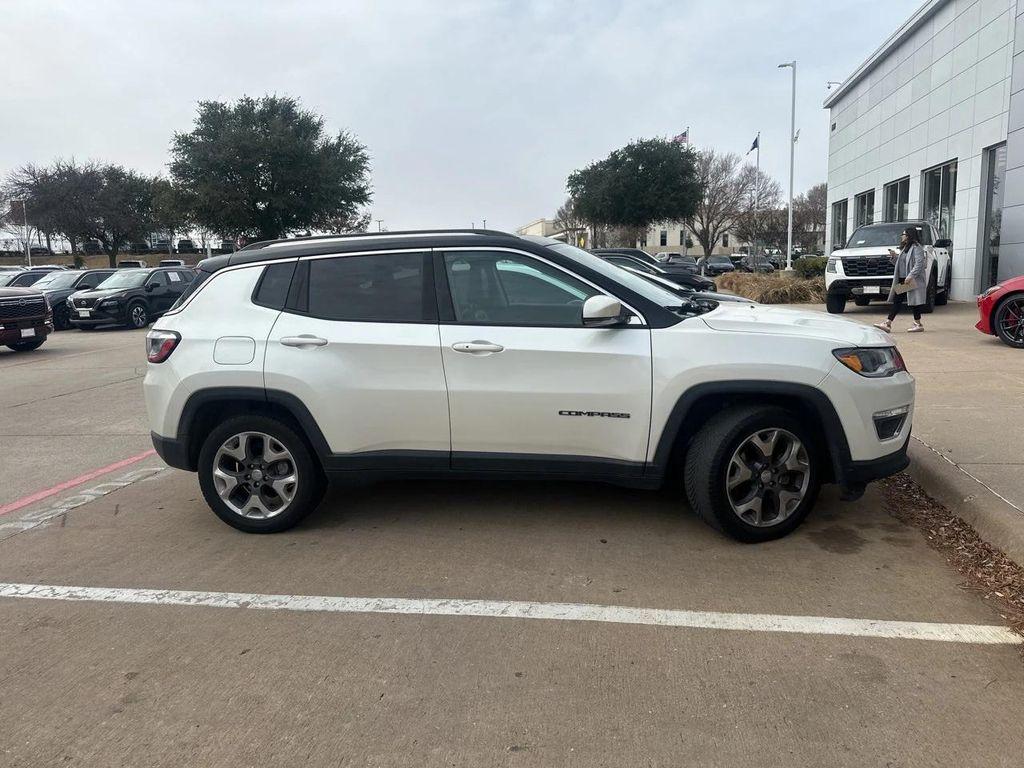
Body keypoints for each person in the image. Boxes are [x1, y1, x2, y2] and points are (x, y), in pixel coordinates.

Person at [874, 226, 927, 333]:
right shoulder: (905, 248)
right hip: (904, 278)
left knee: (909, 301)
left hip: (910, 279)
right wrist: (894, 257)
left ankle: (888, 323)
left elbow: (919, 264)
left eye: (903, 234)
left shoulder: (917, 248)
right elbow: (901, 263)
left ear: (908, 236)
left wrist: (910, 276)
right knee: (905, 300)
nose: (901, 236)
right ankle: (916, 324)